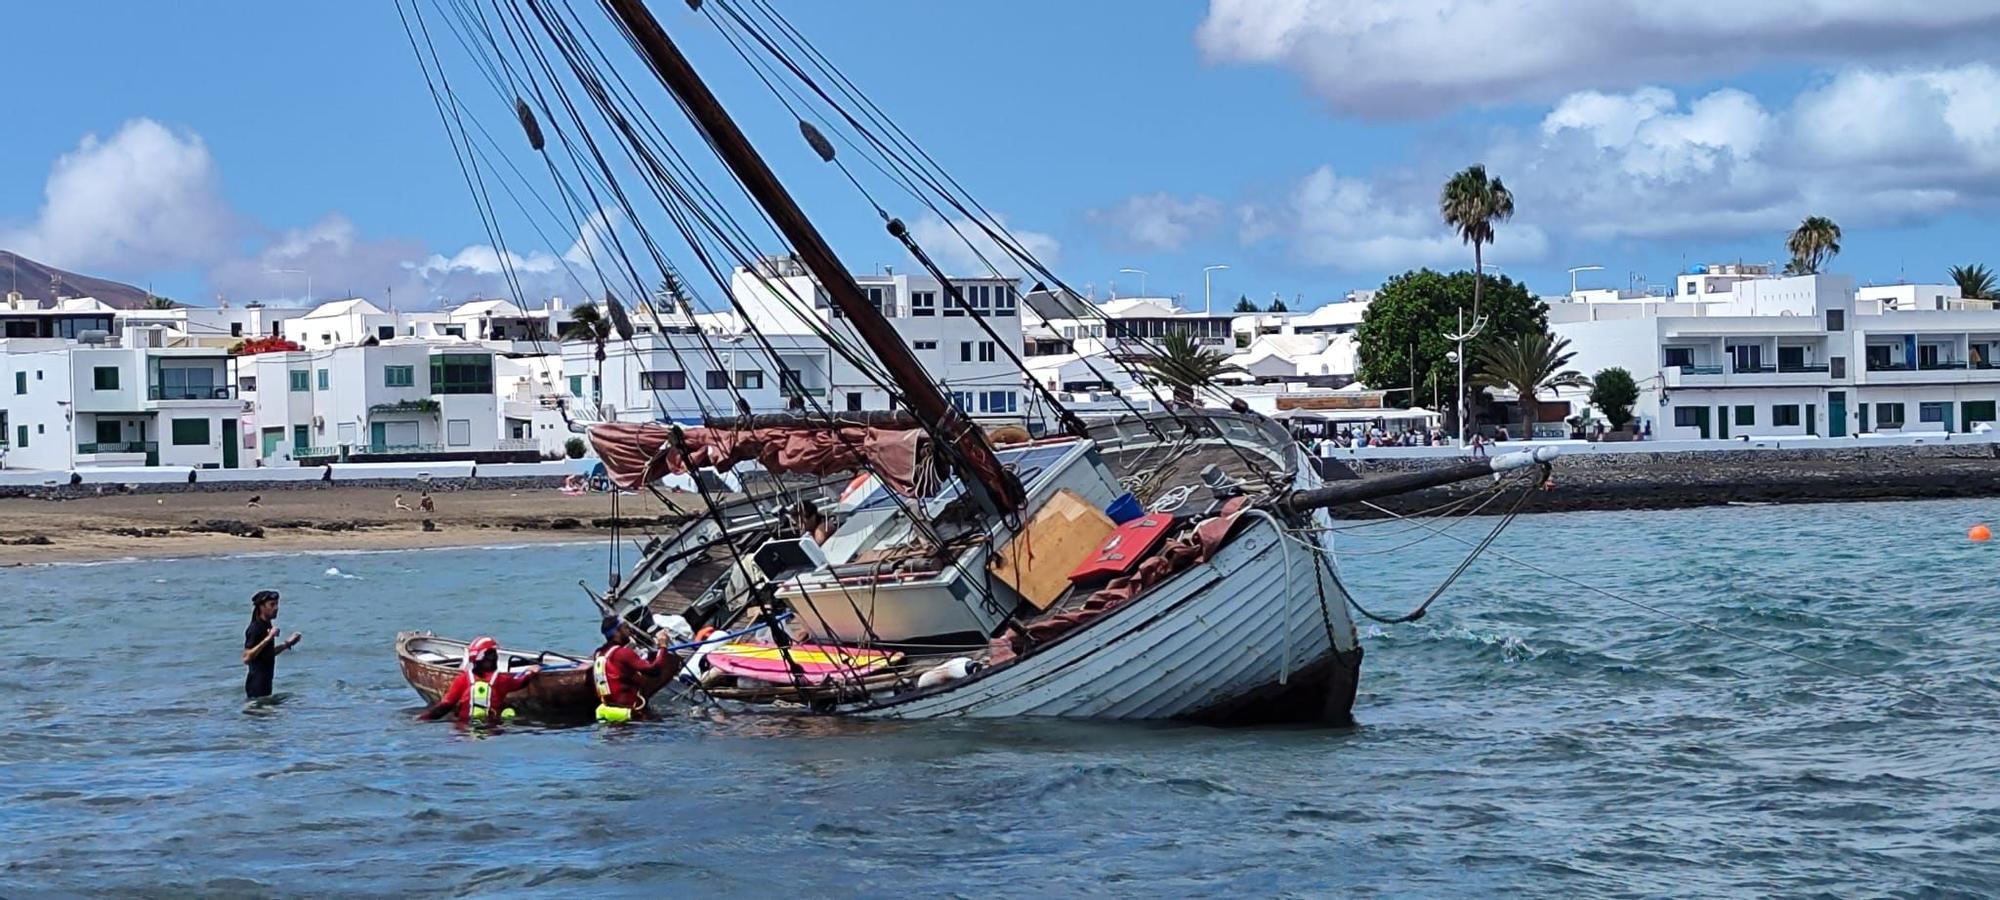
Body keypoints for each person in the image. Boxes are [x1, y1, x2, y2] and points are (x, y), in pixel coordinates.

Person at [418, 636, 539, 724]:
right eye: (493, 654)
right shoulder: (502, 680)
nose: (495, 657)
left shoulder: (463, 679)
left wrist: (422, 719)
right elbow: (521, 682)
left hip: (464, 728)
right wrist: (531, 672)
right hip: (492, 729)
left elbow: (445, 706)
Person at [591, 616, 680, 723]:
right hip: (631, 714)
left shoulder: (598, 653)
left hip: (608, 712)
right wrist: (663, 646)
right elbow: (655, 670)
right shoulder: (622, 653)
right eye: (626, 627)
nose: (630, 631)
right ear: (617, 632)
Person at [242, 590, 301, 699]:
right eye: (272, 604)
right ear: (261, 607)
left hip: (265, 687)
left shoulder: (266, 625)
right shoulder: (255, 628)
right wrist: (269, 638)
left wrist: (287, 643)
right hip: (256, 690)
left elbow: (266, 654)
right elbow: (247, 658)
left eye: (277, 604)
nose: (276, 608)